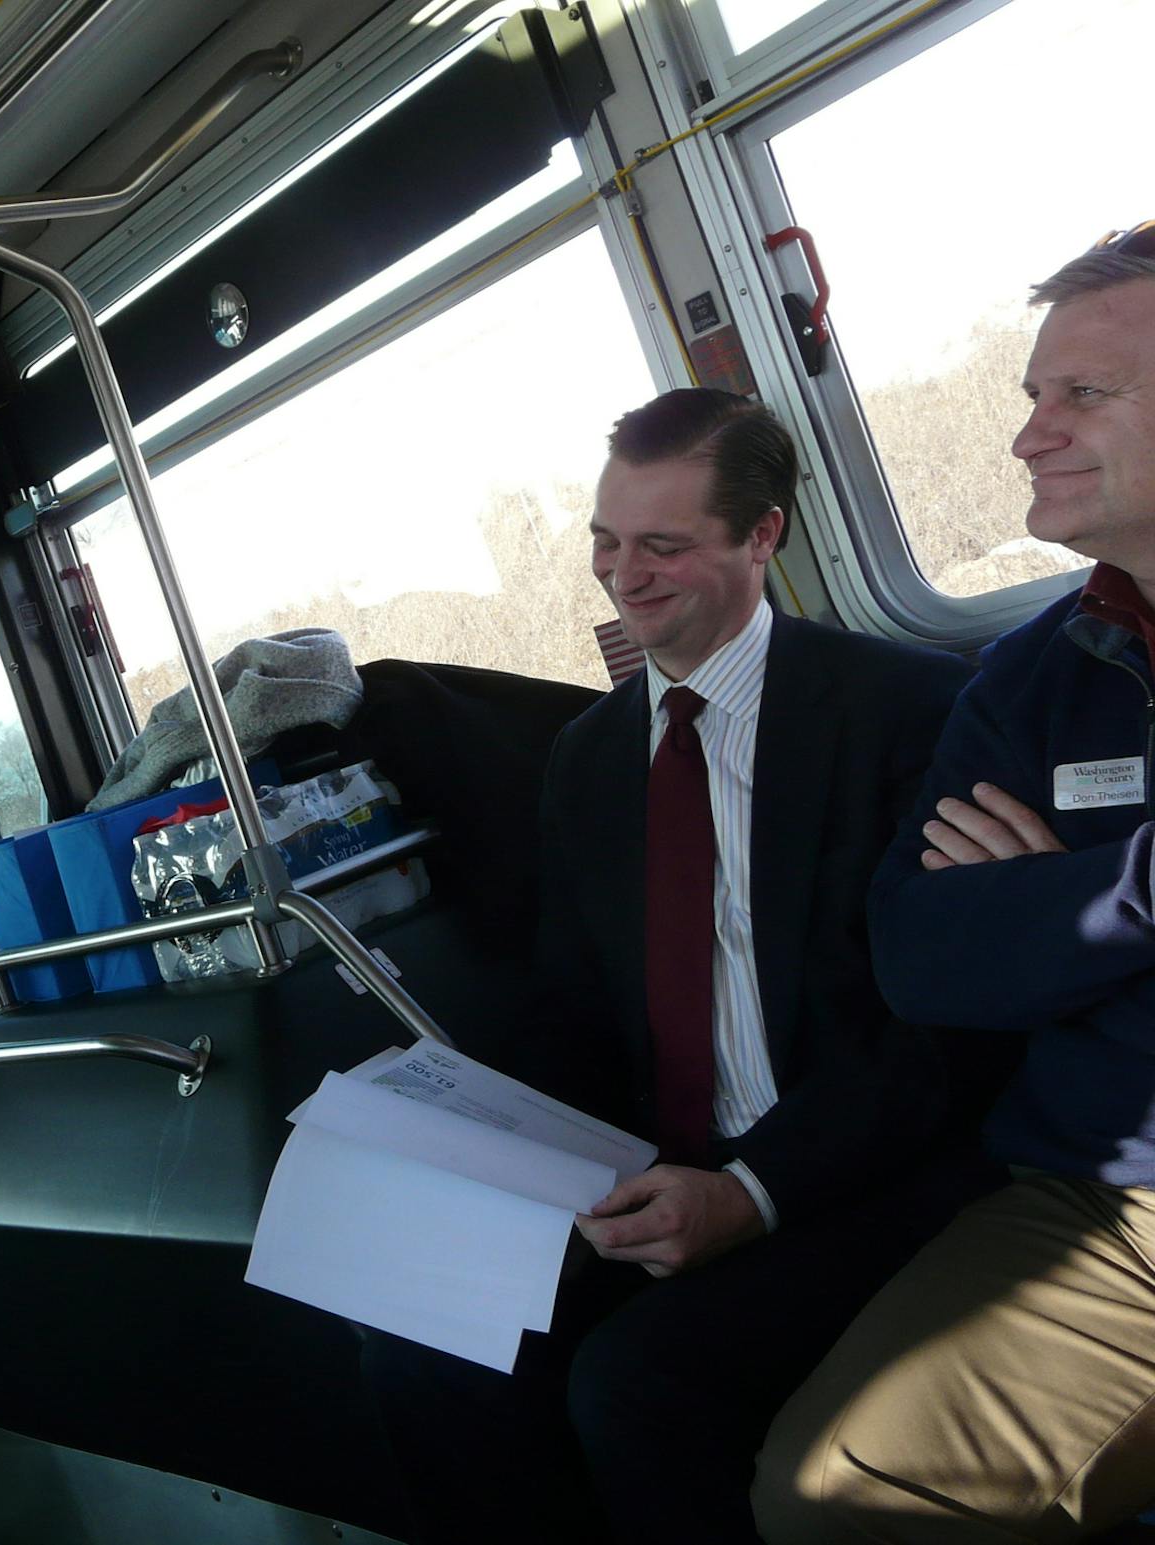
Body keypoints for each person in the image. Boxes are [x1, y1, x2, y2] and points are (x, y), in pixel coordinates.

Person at [361, 388, 995, 1544]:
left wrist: (752, 1195)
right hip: (664, 1168)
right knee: (422, 1334)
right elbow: (577, 1011)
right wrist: (465, 1145)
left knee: (638, 1385)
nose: (623, 574)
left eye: (664, 545)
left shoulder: (909, 711)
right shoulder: (591, 759)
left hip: (863, 1171)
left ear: (763, 536)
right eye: (607, 541)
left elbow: (940, 1034)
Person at [754, 227, 1155, 1543]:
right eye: (1033, 395)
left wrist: (1070, 901)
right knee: (832, 1494)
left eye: (1082, 394)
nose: (1030, 433)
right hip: (1111, 1201)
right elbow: (924, 954)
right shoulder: (1037, 677)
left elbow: (1012, 938)